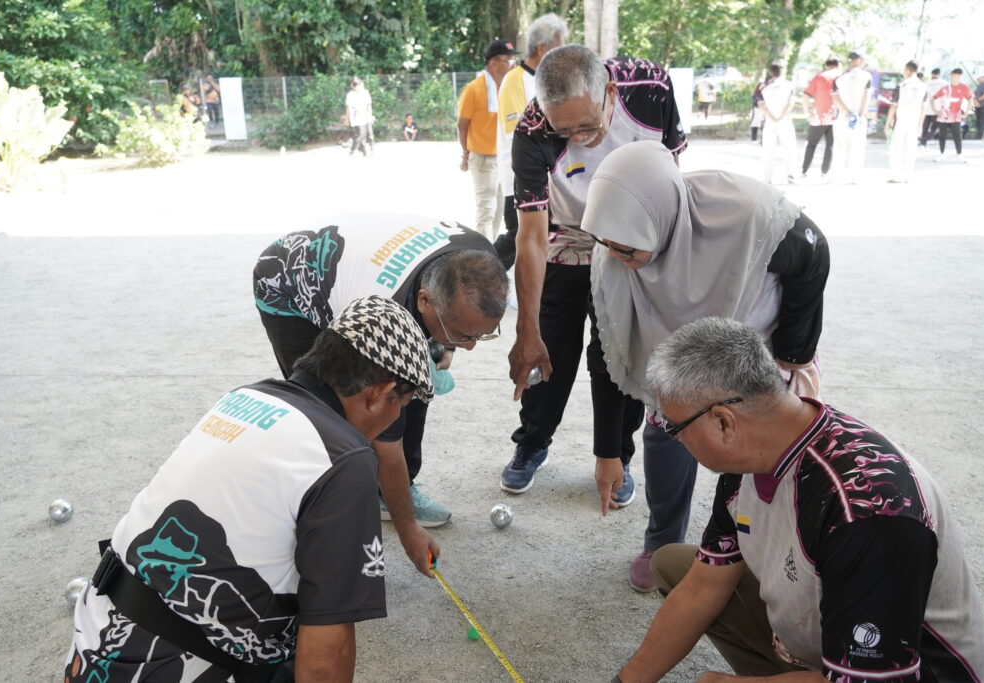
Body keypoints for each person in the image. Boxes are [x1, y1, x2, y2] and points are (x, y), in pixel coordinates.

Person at [64, 295, 437, 683]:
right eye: (403, 404)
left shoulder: (245, 397)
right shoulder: (343, 457)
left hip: (96, 643)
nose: (397, 417)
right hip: (169, 666)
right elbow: (325, 657)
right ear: (380, 393)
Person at [613, 316, 984, 683]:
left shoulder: (867, 509)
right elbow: (702, 588)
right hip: (830, 636)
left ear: (723, 421)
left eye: (674, 427)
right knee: (676, 565)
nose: (673, 437)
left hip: (911, 674)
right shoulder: (754, 454)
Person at [580, 140, 828, 592]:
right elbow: (605, 355)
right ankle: (664, 541)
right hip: (674, 363)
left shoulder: (745, 213)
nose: (615, 256)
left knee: (760, 457)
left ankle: (758, 554)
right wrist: (607, 454)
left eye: (626, 249)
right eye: (607, 245)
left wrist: (793, 351)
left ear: (660, 217)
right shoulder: (613, 249)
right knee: (667, 437)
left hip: (753, 347)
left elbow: (814, 252)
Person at [503, 47, 687, 585]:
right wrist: (526, 328)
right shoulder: (531, 131)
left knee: (619, 359)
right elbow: (531, 237)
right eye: (565, 131)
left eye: (588, 125)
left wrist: (659, 263)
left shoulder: (650, 87)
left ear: (609, 92)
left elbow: (673, 178)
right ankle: (532, 443)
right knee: (550, 353)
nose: (580, 139)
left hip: (628, 240)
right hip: (565, 241)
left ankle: (617, 456)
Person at [253, 213, 507, 575]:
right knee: (331, 412)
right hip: (289, 281)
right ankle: (325, 511)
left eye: (480, 335)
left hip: (365, 271)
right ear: (425, 301)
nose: (470, 348)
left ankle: (394, 492)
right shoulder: (384, 312)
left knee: (414, 384)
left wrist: (447, 339)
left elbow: (414, 382)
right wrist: (408, 530)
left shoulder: (480, 258)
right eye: (464, 335)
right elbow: (387, 444)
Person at [494, 14, 568, 271]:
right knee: (517, 237)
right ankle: (480, 272)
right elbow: (518, 131)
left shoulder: (549, 79)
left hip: (548, 177)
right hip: (519, 176)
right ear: (542, 48)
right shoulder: (515, 80)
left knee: (541, 237)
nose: (563, 53)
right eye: (559, 46)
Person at [458, 39, 518, 239]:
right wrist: (466, 154)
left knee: (500, 209)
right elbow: (462, 124)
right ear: (493, 63)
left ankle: (491, 249)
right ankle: (484, 252)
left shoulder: (509, 88)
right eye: (508, 60)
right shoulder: (474, 89)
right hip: (483, 158)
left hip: (504, 157)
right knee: (487, 209)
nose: (512, 64)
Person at [830, 51, 872, 183]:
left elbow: (835, 98)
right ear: (857, 60)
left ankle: (836, 176)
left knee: (840, 147)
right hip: (859, 118)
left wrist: (848, 113)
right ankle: (855, 177)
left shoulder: (839, 78)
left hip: (843, 117)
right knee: (857, 148)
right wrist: (860, 115)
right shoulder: (866, 76)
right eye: (863, 60)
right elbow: (867, 97)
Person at [755, 64, 798, 184]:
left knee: (768, 149)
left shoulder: (762, 86)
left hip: (769, 121)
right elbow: (791, 103)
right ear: (782, 72)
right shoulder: (789, 85)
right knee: (789, 148)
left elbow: (761, 105)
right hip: (785, 120)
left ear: (770, 72)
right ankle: (791, 174)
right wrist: (781, 117)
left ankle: (767, 177)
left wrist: (772, 118)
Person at [886, 60, 927, 184]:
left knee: (897, 149)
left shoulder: (901, 85)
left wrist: (888, 122)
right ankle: (908, 176)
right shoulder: (924, 87)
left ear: (908, 70)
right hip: (914, 122)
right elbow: (923, 108)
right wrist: (920, 125)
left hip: (901, 121)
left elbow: (893, 106)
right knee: (911, 150)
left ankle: (898, 176)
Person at [800, 57, 840, 179]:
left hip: (818, 116)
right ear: (838, 64)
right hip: (836, 116)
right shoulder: (841, 77)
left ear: (826, 65)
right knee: (830, 145)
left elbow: (806, 94)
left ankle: (804, 169)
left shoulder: (819, 77)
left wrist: (807, 111)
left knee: (811, 144)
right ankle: (825, 171)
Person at [932, 68, 973, 163]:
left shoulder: (964, 87)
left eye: (956, 76)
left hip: (956, 116)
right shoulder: (945, 88)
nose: (954, 77)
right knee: (942, 135)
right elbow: (933, 99)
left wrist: (966, 113)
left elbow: (970, 100)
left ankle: (959, 155)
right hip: (943, 116)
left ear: (960, 76)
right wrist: (936, 111)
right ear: (950, 76)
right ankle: (941, 154)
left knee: (957, 135)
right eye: (953, 75)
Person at [346, 77, 374, 156]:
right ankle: (353, 149)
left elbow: (369, 105)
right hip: (356, 118)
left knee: (368, 133)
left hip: (365, 116)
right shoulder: (350, 95)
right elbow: (349, 107)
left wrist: (370, 115)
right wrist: (347, 118)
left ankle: (367, 151)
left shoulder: (365, 93)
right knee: (361, 134)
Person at [919, 68, 946, 146]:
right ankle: (924, 141)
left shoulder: (926, 83)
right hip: (938, 108)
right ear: (939, 74)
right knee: (934, 128)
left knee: (925, 127)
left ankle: (923, 142)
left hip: (927, 108)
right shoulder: (944, 83)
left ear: (932, 74)